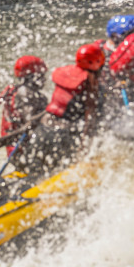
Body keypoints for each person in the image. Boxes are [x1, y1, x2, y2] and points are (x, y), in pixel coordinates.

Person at [27, 42, 107, 171]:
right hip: (63, 136)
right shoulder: (91, 84)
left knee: (36, 170)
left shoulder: (67, 74)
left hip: (43, 129)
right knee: (60, 170)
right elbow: (90, 121)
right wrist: (85, 152)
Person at [0, 55, 49, 154]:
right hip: (25, 153)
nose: (44, 79)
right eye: (41, 75)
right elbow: (30, 121)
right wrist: (53, 109)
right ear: (32, 77)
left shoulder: (16, 91)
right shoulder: (25, 94)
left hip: (16, 150)